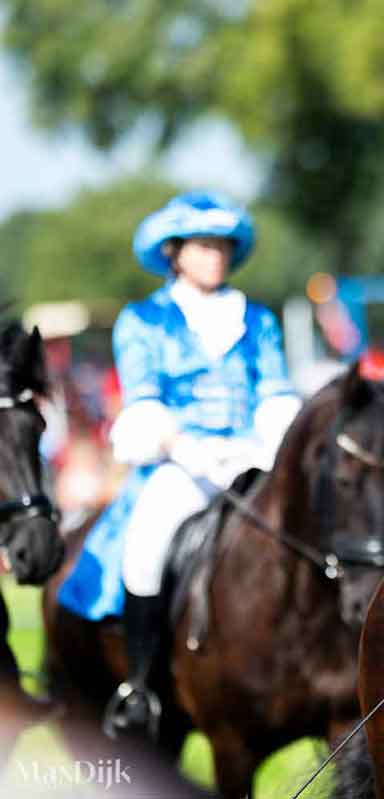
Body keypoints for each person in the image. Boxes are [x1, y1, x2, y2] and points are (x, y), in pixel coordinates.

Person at [57, 191, 302, 739]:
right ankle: (140, 686)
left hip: (251, 454)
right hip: (181, 459)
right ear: (175, 252)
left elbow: (276, 392)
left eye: (223, 245)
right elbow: (143, 399)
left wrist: (264, 445)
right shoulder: (144, 319)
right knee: (147, 543)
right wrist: (186, 446)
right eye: (204, 245)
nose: (216, 254)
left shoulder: (257, 319)